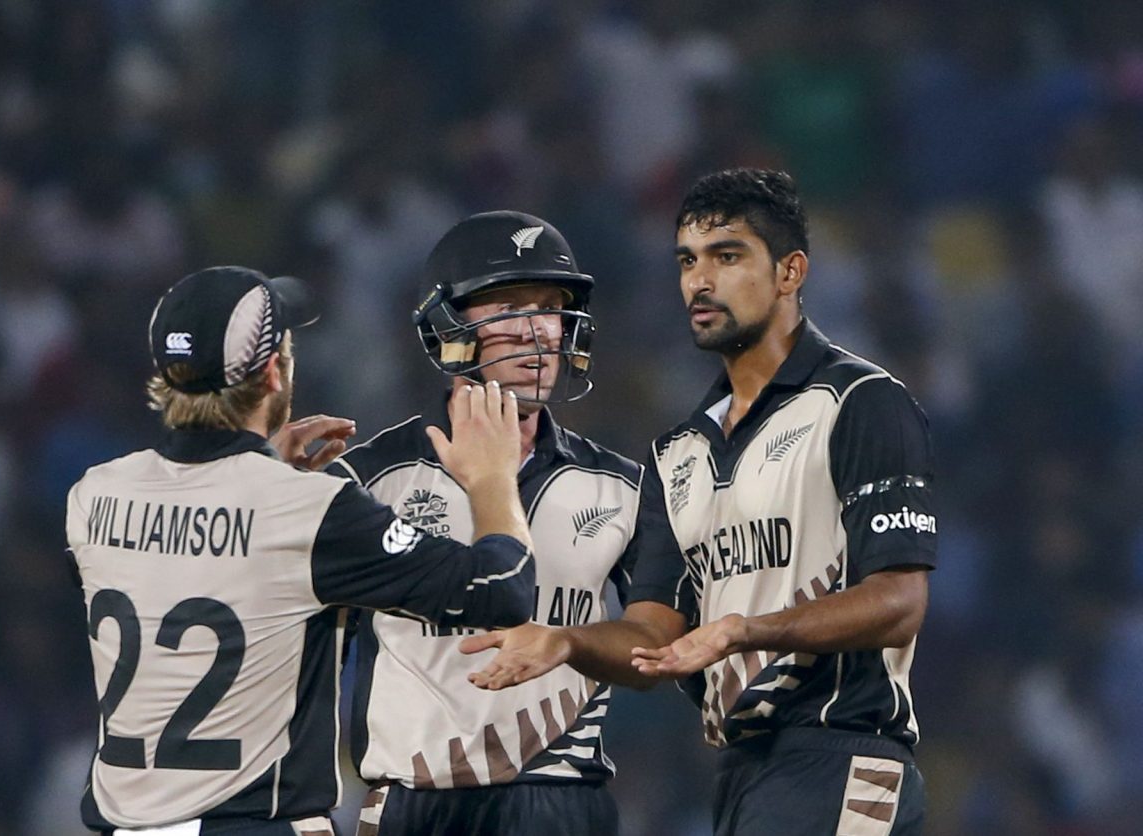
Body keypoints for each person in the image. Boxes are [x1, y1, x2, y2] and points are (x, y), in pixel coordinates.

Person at [463, 170, 936, 835]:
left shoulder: (860, 403)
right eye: (688, 260)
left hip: (845, 749)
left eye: (728, 256)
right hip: (743, 771)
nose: (699, 281)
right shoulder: (677, 453)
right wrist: (565, 641)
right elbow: (653, 638)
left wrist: (747, 629)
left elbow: (899, 600)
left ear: (790, 272)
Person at [66, 266, 538, 836]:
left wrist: (263, 475)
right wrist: (493, 479)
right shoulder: (311, 510)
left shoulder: (94, 494)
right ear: (271, 372)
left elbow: (182, 564)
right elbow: (502, 588)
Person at [328, 212, 644, 835]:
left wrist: (572, 643)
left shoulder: (626, 487)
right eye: (508, 307)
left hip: (565, 799)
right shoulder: (364, 481)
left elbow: (662, 648)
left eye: (551, 308)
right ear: (449, 328)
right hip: (414, 799)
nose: (537, 333)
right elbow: (303, 657)